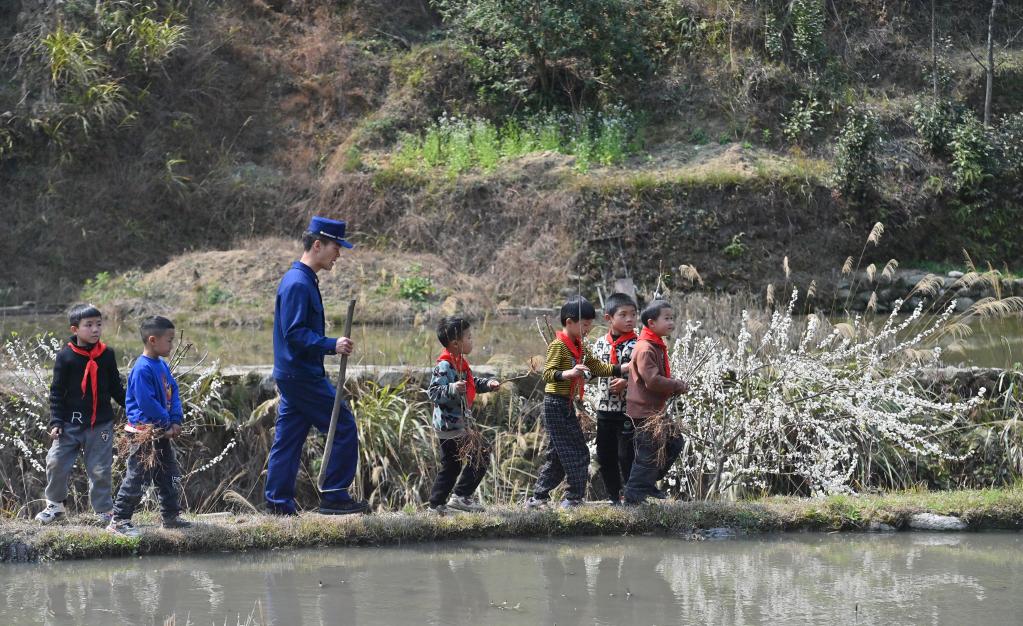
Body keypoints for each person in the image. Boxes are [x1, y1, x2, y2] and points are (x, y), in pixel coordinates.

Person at [265, 216, 368, 516]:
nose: (339, 254)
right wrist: (330, 344)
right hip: (301, 374)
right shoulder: (298, 283)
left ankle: (277, 505)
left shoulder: (303, 279)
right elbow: (294, 333)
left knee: (288, 439)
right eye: (336, 247)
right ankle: (335, 496)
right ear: (318, 244)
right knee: (343, 425)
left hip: (295, 372)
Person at [527, 297, 626, 509]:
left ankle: (539, 498)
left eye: (590, 324)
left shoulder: (579, 346)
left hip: (565, 404)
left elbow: (597, 367)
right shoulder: (559, 346)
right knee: (578, 452)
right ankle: (573, 498)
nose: (588, 328)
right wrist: (568, 373)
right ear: (570, 322)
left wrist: (620, 369)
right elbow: (548, 373)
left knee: (556, 456)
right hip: (555, 404)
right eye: (585, 324)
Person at [36, 304, 126, 524]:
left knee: (100, 468)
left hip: (100, 425)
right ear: (75, 329)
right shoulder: (66, 356)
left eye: (98, 324)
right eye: (89, 325)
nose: (95, 329)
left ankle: (104, 511)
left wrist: (132, 410)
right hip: (69, 425)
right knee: (56, 462)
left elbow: (116, 388)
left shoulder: (107, 355)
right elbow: (56, 392)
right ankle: (55, 507)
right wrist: (56, 421)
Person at [107, 315, 191, 536]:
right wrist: (165, 423)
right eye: (169, 340)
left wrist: (175, 420)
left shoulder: (162, 366)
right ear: (153, 340)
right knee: (138, 477)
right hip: (144, 433)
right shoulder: (142, 369)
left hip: (161, 431)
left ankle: (171, 516)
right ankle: (119, 520)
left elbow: (174, 393)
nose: (172, 345)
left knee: (169, 474)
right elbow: (147, 403)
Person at [426, 317, 501, 514]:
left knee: (453, 466)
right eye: (468, 337)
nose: (472, 340)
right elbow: (433, 392)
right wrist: (451, 387)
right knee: (479, 453)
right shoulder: (444, 366)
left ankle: (438, 503)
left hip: (458, 425)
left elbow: (470, 382)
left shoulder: (459, 363)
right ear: (455, 343)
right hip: (449, 427)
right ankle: (459, 497)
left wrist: (487, 384)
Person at [623, 300, 688, 505]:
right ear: (651, 323)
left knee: (674, 442)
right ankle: (633, 499)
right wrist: (676, 384)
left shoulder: (655, 345)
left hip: (654, 410)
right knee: (647, 455)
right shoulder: (645, 348)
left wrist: (674, 385)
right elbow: (652, 381)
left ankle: (646, 482)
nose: (671, 322)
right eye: (666, 318)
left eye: (672, 318)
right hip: (645, 412)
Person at [590, 293, 638, 505]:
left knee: (626, 454)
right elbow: (591, 370)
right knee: (604, 454)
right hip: (604, 409)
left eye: (634, 315)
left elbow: (647, 373)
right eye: (624, 315)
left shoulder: (639, 344)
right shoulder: (599, 344)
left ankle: (631, 494)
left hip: (628, 410)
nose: (630, 319)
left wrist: (627, 383)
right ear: (608, 318)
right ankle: (613, 495)